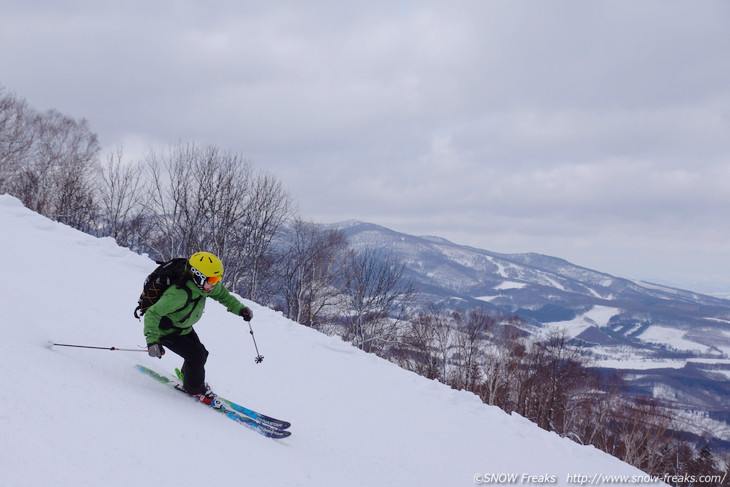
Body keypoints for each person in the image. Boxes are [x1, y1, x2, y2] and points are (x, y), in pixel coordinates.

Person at [144, 251, 254, 404]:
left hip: (184, 327)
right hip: (167, 331)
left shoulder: (205, 286)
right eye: (213, 279)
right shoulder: (177, 295)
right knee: (196, 356)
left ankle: (188, 378)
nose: (215, 283)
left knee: (202, 353)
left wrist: (240, 309)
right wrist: (153, 341)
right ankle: (196, 390)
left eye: (218, 279)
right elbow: (152, 314)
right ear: (197, 276)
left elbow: (223, 296)